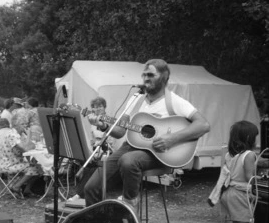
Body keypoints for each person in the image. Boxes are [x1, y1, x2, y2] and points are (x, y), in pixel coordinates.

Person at [84, 58, 210, 212]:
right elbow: (120, 131)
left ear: (164, 77)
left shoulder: (174, 102)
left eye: (150, 75)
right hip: (130, 148)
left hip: (159, 154)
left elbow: (203, 125)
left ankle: (129, 204)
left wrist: (171, 139)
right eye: (144, 75)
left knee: (128, 160)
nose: (145, 78)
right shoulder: (135, 100)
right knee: (91, 188)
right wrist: (103, 125)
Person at [219, 120, 258, 223]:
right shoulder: (249, 155)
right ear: (249, 138)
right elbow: (249, 178)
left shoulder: (230, 154)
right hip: (240, 195)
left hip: (229, 192)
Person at [0, 113, 43, 198]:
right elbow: (25, 149)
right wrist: (29, 135)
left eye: (26, 124)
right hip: (9, 164)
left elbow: (31, 147)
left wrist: (31, 161)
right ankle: (17, 186)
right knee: (36, 168)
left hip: (18, 161)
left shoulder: (20, 134)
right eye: (22, 124)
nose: (25, 126)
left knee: (40, 167)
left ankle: (26, 189)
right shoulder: (12, 135)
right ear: (15, 125)